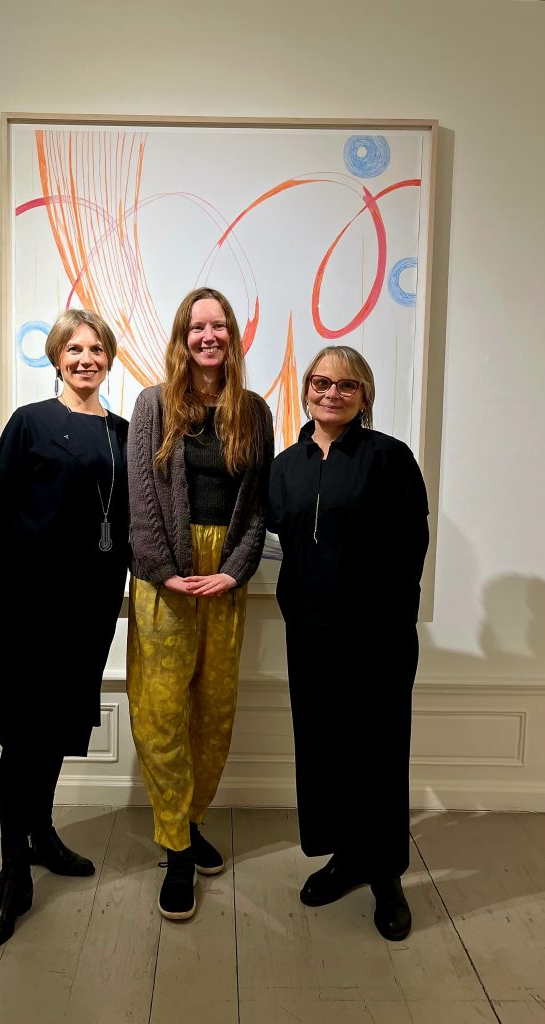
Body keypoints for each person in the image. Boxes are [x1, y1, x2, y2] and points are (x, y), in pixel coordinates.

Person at [0, 309, 129, 953]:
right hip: (29, 600)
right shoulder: (30, 422)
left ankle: (41, 835)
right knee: (23, 732)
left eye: (96, 349)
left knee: (59, 724)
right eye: (74, 349)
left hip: (90, 606)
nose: (85, 358)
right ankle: (13, 875)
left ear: (109, 358)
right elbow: (0, 508)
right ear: (56, 357)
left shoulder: (123, 433)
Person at [268, 344, 429, 941]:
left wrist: (387, 618)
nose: (331, 393)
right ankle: (346, 856)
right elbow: (278, 536)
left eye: (346, 385)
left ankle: (385, 874)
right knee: (324, 749)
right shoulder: (285, 466)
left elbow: (412, 547)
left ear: (364, 395)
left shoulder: (389, 458)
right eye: (320, 382)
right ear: (306, 389)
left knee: (378, 754)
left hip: (377, 637)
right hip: (310, 636)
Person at [127, 287, 274, 920]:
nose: (207, 336)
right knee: (160, 710)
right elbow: (140, 495)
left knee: (214, 709)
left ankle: (189, 820)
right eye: (196, 326)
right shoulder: (152, 404)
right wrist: (163, 570)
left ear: (233, 335)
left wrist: (235, 571)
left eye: (218, 326)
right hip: (166, 575)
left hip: (223, 579)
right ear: (182, 338)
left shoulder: (255, 411)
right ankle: (177, 850)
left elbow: (259, 504)